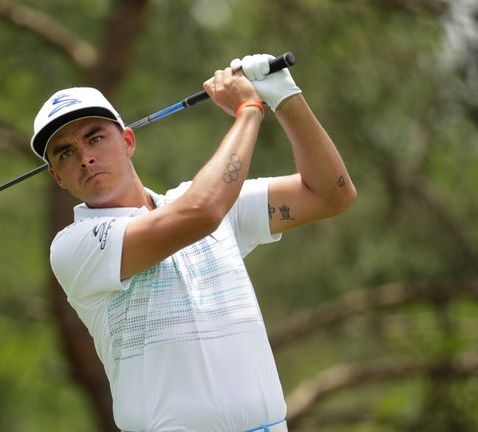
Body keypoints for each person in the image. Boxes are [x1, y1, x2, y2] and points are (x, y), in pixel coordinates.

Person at [29, 54, 356, 432]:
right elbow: (203, 211)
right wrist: (249, 110)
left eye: (95, 138)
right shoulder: (73, 247)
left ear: (128, 141)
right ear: (57, 176)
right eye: (66, 152)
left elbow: (332, 194)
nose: (85, 158)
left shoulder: (204, 203)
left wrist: (284, 97)